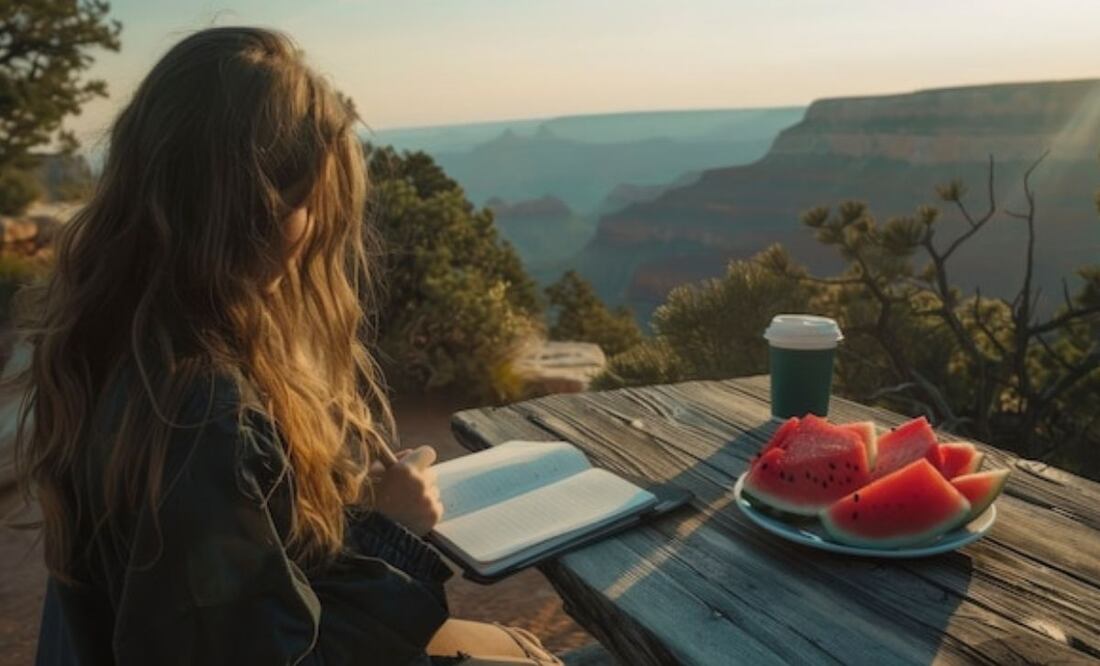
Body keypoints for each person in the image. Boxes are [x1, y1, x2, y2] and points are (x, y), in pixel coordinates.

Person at [8, 26, 562, 666]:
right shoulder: (202, 413)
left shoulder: (114, 344)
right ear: (246, 210)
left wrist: (352, 517)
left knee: (516, 648)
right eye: (306, 204)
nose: (313, 233)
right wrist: (395, 535)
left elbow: (232, 587)